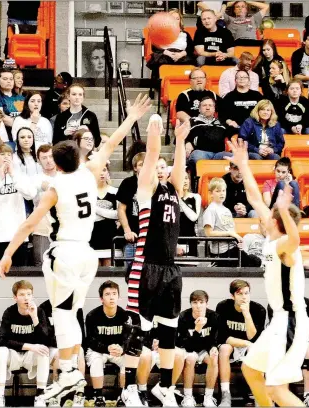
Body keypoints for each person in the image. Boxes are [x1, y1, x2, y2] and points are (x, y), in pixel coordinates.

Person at [0, 94, 152, 405]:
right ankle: (70, 373)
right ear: (78, 157)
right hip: (88, 255)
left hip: (65, 253)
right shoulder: (90, 172)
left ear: (56, 164)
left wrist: (8, 253)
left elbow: (28, 224)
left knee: (62, 314)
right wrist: (132, 116)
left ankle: (68, 372)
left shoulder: (57, 188)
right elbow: (112, 142)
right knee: (71, 313)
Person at [228, 138, 309, 407]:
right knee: (251, 370)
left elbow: (296, 240)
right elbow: (253, 195)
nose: (262, 216)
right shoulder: (273, 239)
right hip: (278, 321)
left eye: (270, 215)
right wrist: (243, 163)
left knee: (278, 390)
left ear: (275, 221)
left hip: (291, 322)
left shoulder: (286, 247)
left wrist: (286, 211)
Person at [122, 115, 190, 407]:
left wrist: (180, 140)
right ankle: (128, 387)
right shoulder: (146, 190)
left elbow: (179, 168)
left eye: (166, 166)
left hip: (170, 269)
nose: (162, 168)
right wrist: (154, 134)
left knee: (169, 331)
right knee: (139, 332)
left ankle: (165, 387)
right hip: (145, 265)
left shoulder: (174, 189)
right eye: (159, 166)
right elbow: (150, 156)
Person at [0, 280, 49, 407]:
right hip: (14, 355)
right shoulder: (9, 312)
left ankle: (40, 396)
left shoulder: (39, 312)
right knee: (1, 351)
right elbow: (0, 340)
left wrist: (35, 318)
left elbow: (45, 341)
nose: (26, 298)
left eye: (29, 294)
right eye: (22, 294)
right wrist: (28, 345)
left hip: (30, 356)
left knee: (44, 351)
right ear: (15, 297)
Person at [216, 280, 266, 407]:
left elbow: (253, 337)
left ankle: (258, 394)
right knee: (224, 349)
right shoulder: (223, 307)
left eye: (247, 293)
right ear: (232, 296)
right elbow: (223, 337)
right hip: (232, 344)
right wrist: (245, 343)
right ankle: (225, 394)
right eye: (240, 294)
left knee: (255, 350)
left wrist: (247, 314)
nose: (244, 297)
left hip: (251, 345)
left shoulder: (258, 309)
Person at [267, 297, 309, 407]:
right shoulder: (274, 303)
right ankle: (278, 395)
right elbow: (276, 331)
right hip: (284, 342)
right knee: (276, 349)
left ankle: (308, 396)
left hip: (304, 342)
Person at [85, 280, 130, 406]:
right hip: (98, 350)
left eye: (114, 294)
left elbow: (128, 338)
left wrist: (122, 349)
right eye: (107, 294)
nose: (111, 297)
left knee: (128, 361)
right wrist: (107, 348)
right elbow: (91, 341)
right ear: (101, 299)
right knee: (96, 360)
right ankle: (98, 396)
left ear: (118, 297)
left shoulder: (124, 316)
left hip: (117, 350)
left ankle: (123, 395)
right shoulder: (92, 316)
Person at [0, 144, 37, 267]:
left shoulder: (20, 176)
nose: (6, 157)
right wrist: (0, 179)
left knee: (19, 273)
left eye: (9, 154)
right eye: (2, 154)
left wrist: (13, 175)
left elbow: (31, 194)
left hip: (18, 236)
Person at [176, 290, 219, 407]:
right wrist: (197, 329)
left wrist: (213, 347)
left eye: (201, 302)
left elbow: (214, 339)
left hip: (204, 349)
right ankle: (188, 396)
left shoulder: (213, 316)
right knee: (190, 359)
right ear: (191, 304)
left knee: (214, 358)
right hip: (188, 350)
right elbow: (186, 345)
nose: (198, 306)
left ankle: (208, 397)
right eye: (195, 302)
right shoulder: (183, 317)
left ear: (207, 304)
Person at [39, 299, 86, 406]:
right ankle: (55, 396)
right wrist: (63, 345)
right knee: (58, 354)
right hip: (52, 346)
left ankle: (79, 395)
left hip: (71, 345)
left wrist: (69, 345)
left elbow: (80, 333)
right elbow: (45, 335)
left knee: (80, 352)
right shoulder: (44, 308)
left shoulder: (76, 307)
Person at [202, 178, 246, 267]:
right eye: (218, 191)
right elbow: (208, 233)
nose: (222, 193)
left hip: (233, 248)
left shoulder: (227, 210)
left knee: (255, 260)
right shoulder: (210, 210)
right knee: (254, 261)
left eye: (223, 190)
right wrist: (229, 233)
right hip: (221, 252)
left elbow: (231, 229)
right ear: (211, 193)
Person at [185, 96, 229, 184]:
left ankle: (224, 186)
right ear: (199, 109)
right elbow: (179, 137)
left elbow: (234, 135)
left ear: (214, 109)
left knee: (233, 158)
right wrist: (187, 142)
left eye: (210, 105)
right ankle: (199, 185)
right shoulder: (191, 121)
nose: (207, 107)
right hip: (201, 152)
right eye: (204, 105)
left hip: (218, 154)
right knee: (198, 157)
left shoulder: (222, 123)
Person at [117, 152, 146, 268]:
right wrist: (127, 230)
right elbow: (121, 209)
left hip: (151, 239)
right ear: (135, 168)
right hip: (132, 238)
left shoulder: (155, 184)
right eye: (141, 164)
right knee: (131, 271)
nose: (144, 167)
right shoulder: (128, 183)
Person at [146, 9, 194, 78]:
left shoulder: (185, 34)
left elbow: (191, 49)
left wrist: (181, 54)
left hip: (181, 55)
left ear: (180, 21)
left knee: (190, 62)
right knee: (158, 60)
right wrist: (167, 53)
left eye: (177, 19)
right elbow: (155, 48)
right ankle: (159, 85)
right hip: (165, 54)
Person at [31, 144, 57, 267]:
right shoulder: (35, 179)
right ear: (38, 160)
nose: (48, 160)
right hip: (42, 227)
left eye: (51, 156)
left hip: (62, 228)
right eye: (44, 158)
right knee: (41, 264)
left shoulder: (65, 176)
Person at [53, 83, 101, 147]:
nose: (77, 97)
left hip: (84, 154)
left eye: (80, 94)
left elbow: (97, 142)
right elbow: (55, 142)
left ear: (83, 97)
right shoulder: (61, 117)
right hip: (67, 153)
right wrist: (64, 133)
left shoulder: (91, 116)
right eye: (74, 94)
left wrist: (88, 131)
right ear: (68, 96)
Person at [90, 163, 119, 267]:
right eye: (98, 171)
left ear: (108, 172)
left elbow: (117, 214)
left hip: (109, 236)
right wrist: (108, 213)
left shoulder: (115, 192)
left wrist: (95, 209)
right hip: (92, 237)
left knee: (109, 272)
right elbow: (89, 216)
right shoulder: (89, 192)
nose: (101, 173)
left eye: (104, 170)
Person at [220, 70, 262, 138]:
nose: (241, 79)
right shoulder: (229, 97)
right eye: (239, 77)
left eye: (244, 77)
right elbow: (222, 115)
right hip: (236, 128)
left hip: (256, 127)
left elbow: (265, 110)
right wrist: (230, 122)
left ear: (249, 80)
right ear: (235, 80)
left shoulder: (257, 95)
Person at [0, 69, 25, 140]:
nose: (9, 81)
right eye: (5, 79)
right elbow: (2, 118)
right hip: (6, 135)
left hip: (23, 133)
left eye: (11, 79)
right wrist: (23, 124)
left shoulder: (21, 98)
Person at [178, 171, 201, 258]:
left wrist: (180, 200)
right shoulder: (171, 198)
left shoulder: (195, 197)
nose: (185, 181)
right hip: (176, 239)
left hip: (191, 239)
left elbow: (194, 217)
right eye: (181, 179)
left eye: (186, 178)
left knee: (191, 268)